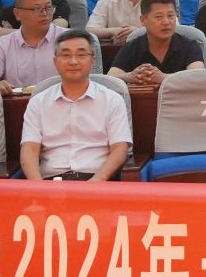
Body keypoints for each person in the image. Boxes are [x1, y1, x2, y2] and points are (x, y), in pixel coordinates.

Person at [19, 30, 131, 181]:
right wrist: (38, 187)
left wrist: (96, 182)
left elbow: (119, 149)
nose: (73, 61)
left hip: (98, 180)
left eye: (81, 55)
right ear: (55, 62)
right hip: (51, 181)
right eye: (66, 55)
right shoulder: (38, 102)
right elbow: (30, 149)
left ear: (93, 60)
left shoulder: (112, 100)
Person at [109, 0, 202, 86]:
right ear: (143, 20)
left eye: (170, 16)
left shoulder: (190, 45)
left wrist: (164, 77)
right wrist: (129, 76)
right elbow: (110, 77)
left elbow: (197, 77)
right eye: (159, 17)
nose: (166, 22)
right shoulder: (132, 47)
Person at [0, 0, 62, 92]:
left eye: (49, 7)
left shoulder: (69, 39)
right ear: (17, 13)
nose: (45, 14)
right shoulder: (3, 45)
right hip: (19, 101)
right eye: (37, 9)